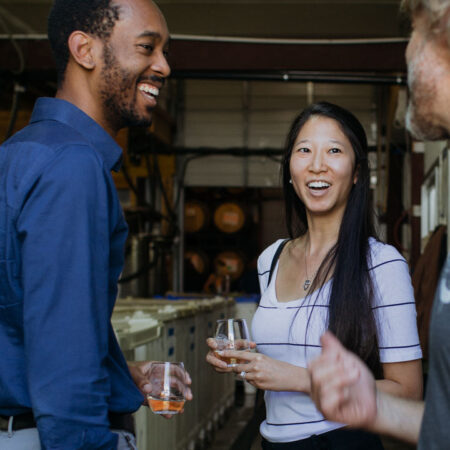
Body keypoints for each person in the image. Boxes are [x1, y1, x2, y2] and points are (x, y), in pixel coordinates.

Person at [0, 0, 191, 449]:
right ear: (84, 50)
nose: (163, 65)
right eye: (147, 47)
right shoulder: (73, 166)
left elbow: (25, 323)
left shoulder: (19, 153)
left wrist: (119, 374)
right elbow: (63, 360)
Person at [206, 101, 423, 449]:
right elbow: (280, 363)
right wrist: (246, 362)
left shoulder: (381, 263)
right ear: (291, 172)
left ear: (356, 173)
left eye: (334, 150)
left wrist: (299, 379)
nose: (317, 165)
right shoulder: (270, 259)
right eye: (304, 150)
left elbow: (408, 393)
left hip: (341, 441)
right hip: (272, 441)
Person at [308, 1, 450, 448]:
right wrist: (373, 405)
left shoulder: (380, 261)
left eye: (414, 31)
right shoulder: (271, 258)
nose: (406, 52)